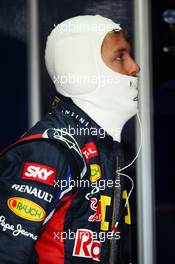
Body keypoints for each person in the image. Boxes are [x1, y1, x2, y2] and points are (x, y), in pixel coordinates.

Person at [0, 15, 140, 263]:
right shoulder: (49, 152)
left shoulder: (105, 148)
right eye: (120, 57)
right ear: (83, 68)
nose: (134, 67)